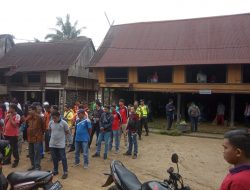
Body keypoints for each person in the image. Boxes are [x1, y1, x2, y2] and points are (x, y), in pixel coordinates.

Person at [49, 110, 69, 179]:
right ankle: (55, 170)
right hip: (52, 144)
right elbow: (50, 130)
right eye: (53, 118)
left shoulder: (64, 123)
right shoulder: (51, 122)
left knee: (63, 158)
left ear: (59, 117)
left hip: (61, 144)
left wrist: (64, 140)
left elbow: (67, 132)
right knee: (54, 158)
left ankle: (65, 172)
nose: (54, 119)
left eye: (55, 118)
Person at [26, 105, 45, 171]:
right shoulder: (28, 118)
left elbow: (43, 127)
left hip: (37, 138)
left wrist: (40, 134)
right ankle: (33, 165)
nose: (29, 111)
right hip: (30, 138)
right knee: (31, 153)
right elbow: (26, 124)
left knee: (37, 153)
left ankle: (37, 166)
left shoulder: (39, 118)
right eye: (28, 110)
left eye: (30, 110)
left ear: (34, 110)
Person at [3, 104, 20, 168]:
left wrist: (10, 117)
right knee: (7, 148)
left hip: (13, 135)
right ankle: (7, 160)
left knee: (14, 149)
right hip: (6, 134)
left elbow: (15, 125)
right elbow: (5, 123)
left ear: (14, 109)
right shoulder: (8, 114)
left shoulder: (17, 116)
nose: (9, 109)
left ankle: (16, 161)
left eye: (10, 108)